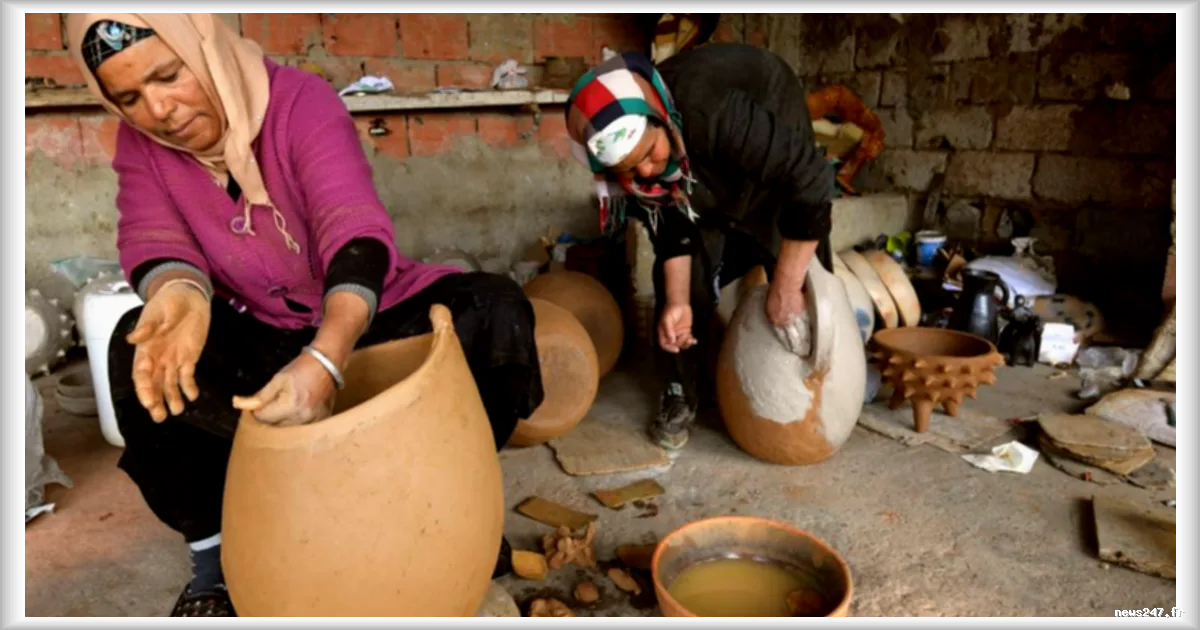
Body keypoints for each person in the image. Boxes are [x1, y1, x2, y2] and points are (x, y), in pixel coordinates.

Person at [65, 13, 542, 617]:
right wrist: (179, 292)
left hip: (369, 312)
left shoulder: (297, 102)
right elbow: (151, 235)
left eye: (169, 75)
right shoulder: (142, 146)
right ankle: (216, 563)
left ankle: (452, 503)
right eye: (128, 96)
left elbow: (354, 228)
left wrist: (325, 359)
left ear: (205, 50)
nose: (158, 109)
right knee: (141, 352)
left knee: (495, 313)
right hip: (260, 325)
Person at [564, 43, 836, 450]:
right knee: (684, 277)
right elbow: (672, 231)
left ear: (660, 118)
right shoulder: (638, 169)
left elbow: (811, 182)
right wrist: (678, 303)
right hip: (697, 154)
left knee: (796, 268)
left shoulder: (711, 111)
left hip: (767, 113)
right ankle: (679, 390)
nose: (644, 171)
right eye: (627, 168)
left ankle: (824, 391)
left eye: (648, 153)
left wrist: (785, 283)